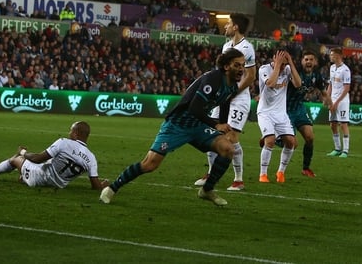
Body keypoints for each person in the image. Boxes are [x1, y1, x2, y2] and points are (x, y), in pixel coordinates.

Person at [100, 48, 245, 206]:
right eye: (237, 65)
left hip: (198, 125)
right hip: (178, 124)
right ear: (226, 66)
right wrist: (216, 124)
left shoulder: (231, 85)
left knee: (228, 149)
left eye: (243, 65)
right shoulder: (213, 79)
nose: (241, 69)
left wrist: (224, 127)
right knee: (150, 164)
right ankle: (112, 189)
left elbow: (224, 103)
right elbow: (194, 108)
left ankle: (207, 190)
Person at [194, 13, 256, 192]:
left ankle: (238, 179)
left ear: (236, 27)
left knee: (231, 137)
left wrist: (233, 92)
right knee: (212, 134)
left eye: (228, 23)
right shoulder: (226, 46)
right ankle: (212, 173)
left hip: (239, 98)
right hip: (222, 96)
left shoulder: (247, 48)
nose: (226, 26)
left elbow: (251, 76)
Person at [0, 121, 108, 190]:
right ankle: (24, 177)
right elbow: (95, 186)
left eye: (71, 130)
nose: (69, 132)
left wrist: (22, 152)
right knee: (45, 164)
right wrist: (103, 185)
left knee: (16, 160)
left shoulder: (64, 143)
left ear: (76, 133)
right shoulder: (91, 158)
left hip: (40, 178)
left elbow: (37, 159)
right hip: (58, 185)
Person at [256, 49, 300, 183]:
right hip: (265, 112)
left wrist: (290, 63)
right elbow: (270, 83)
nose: (282, 67)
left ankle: (280, 172)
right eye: (280, 63)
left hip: (281, 113)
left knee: (291, 142)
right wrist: (277, 65)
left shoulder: (287, 69)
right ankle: (263, 174)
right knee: (270, 141)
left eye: (284, 64)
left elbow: (298, 84)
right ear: (273, 59)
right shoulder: (264, 69)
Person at [284, 49, 328, 177]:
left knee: (310, 137)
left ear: (315, 62)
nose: (308, 62)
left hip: (299, 108)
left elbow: (323, 90)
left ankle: (306, 168)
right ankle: (270, 139)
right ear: (302, 61)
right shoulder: (295, 71)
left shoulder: (316, 75)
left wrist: (328, 101)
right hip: (286, 109)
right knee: (292, 143)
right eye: (306, 59)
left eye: (311, 59)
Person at [325, 47, 351, 158]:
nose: (330, 56)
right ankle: (337, 148)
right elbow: (330, 84)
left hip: (342, 100)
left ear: (338, 56)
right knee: (332, 124)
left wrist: (337, 103)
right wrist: (327, 98)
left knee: (343, 124)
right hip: (333, 99)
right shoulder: (331, 68)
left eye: (332, 55)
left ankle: (345, 150)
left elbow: (346, 88)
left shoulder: (345, 70)